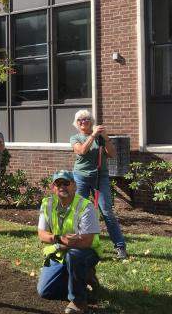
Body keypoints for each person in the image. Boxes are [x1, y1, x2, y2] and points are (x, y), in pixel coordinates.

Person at [37, 170, 102, 314]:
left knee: (74, 256)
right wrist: (59, 238)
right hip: (60, 250)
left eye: (66, 183)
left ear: (74, 186)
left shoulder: (86, 206)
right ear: (52, 187)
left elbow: (87, 241)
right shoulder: (47, 204)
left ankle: (78, 302)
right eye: (58, 183)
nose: (62, 187)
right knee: (45, 291)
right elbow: (42, 234)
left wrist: (65, 242)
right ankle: (84, 279)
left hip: (86, 251)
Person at [70, 109, 128, 260]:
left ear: (91, 121)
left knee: (107, 211)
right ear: (77, 124)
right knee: (79, 211)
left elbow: (112, 154)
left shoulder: (100, 138)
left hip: (100, 177)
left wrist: (106, 137)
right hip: (81, 177)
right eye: (80, 120)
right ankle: (79, 244)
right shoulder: (75, 137)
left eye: (86, 119)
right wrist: (93, 135)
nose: (83, 122)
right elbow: (82, 151)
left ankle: (120, 246)